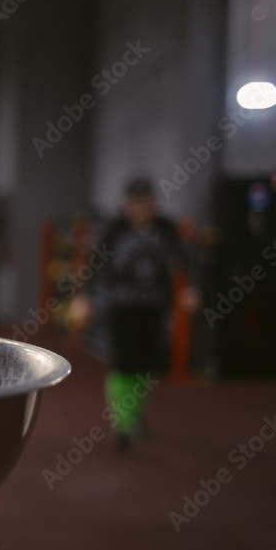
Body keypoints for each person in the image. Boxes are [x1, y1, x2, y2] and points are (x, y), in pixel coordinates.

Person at [72, 178, 199, 451]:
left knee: (146, 366)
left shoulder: (166, 228)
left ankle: (135, 416)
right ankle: (123, 423)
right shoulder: (114, 230)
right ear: (126, 206)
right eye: (136, 203)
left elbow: (185, 258)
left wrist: (190, 287)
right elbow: (93, 264)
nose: (142, 209)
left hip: (154, 307)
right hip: (121, 307)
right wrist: (83, 298)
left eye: (147, 203)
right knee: (124, 363)